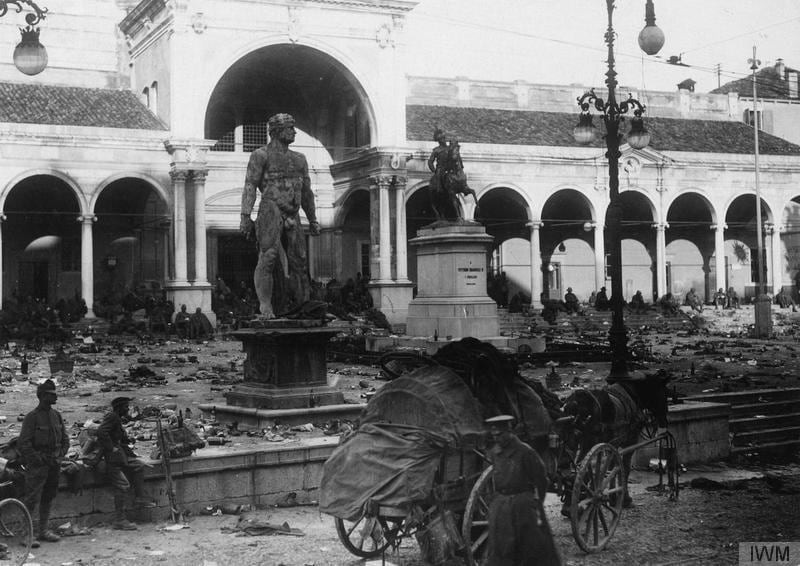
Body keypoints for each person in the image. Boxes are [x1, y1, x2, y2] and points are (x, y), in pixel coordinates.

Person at [240, 113, 321, 319]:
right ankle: (266, 306)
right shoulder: (261, 155)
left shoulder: (300, 159)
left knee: (300, 263)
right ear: (276, 131)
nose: (294, 131)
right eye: (290, 128)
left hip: (293, 213)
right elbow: (250, 185)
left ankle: (304, 306)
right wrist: (245, 216)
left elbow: (306, 192)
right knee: (268, 257)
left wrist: (312, 218)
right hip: (271, 209)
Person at [484, 415, 561, 566]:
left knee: (530, 548)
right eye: (494, 436)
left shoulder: (525, 452)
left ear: (509, 431)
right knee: (501, 548)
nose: (497, 439)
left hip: (523, 505)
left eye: (500, 435)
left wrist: (536, 503)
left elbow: (541, 480)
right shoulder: (495, 452)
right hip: (502, 506)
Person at [19, 379, 69, 545]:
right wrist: (38, 459)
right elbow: (24, 443)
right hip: (38, 467)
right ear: (42, 396)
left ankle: (43, 531)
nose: (56, 398)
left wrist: (60, 456)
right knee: (31, 499)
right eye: (51, 395)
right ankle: (26, 535)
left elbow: (65, 440)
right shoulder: (32, 417)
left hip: (54, 464)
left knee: (48, 497)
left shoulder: (57, 415)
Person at [97, 397, 156, 530]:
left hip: (120, 457)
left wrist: (127, 439)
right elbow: (101, 432)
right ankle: (120, 520)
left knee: (138, 466)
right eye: (126, 407)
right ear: (119, 407)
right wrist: (111, 447)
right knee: (122, 485)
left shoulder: (117, 418)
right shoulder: (112, 416)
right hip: (112, 460)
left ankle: (140, 498)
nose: (128, 409)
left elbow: (117, 436)